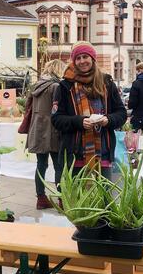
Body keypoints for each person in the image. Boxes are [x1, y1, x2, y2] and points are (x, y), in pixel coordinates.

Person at [52, 41, 127, 179]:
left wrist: (108, 120)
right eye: (78, 58)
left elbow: (121, 113)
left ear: (92, 58)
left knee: (104, 199)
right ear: (74, 61)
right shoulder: (64, 86)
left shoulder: (107, 83)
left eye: (85, 57)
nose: (82, 61)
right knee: (77, 198)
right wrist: (79, 122)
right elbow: (56, 119)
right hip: (74, 156)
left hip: (103, 153)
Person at [27, 59, 66, 209]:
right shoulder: (56, 86)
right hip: (53, 130)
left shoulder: (36, 86)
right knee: (59, 166)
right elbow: (57, 110)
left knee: (41, 165)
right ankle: (62, 200)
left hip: (37, 129)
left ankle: (41, 198)